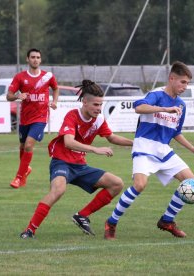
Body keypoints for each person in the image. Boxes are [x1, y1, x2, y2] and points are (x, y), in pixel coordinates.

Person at [104, 61, 194, 240]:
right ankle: (111, 222)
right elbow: (139, 108)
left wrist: (192, 148)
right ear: (171, 78)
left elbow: (175, 132)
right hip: (144, 146)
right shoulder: (156, 95)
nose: (185, 86)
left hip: (164, 150)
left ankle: (167, 220)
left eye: (188, 83)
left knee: (192, 183)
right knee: (140, 185)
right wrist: (165, 108)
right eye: (182, 82)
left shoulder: (181, 105)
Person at [20, 80, 133, 238]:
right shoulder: (72, 115)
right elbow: (68, 142)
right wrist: (95, 149)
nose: (99, 109)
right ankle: (30, 230)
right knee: (58, 190)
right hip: (62, 162)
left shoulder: (98, 120)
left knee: (116, 183)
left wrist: (134, 143)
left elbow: (112, 137)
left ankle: (82, 215)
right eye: (95, 105)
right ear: (85, 102)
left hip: (80, 167)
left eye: (100, 105)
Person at [6, 48, 59, 189]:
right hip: (25, 118)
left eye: (38, 57)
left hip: (40, 118)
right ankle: (26, 169)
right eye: (33, 57)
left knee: (29, 145)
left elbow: (55, 88)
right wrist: (18, 96)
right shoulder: (20, 77)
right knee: (23, 146)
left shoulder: (48, 76)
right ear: (27, 59)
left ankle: (18, 178)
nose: (35, 59)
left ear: (40, 60)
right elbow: (8, 96)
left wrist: (54, 101)